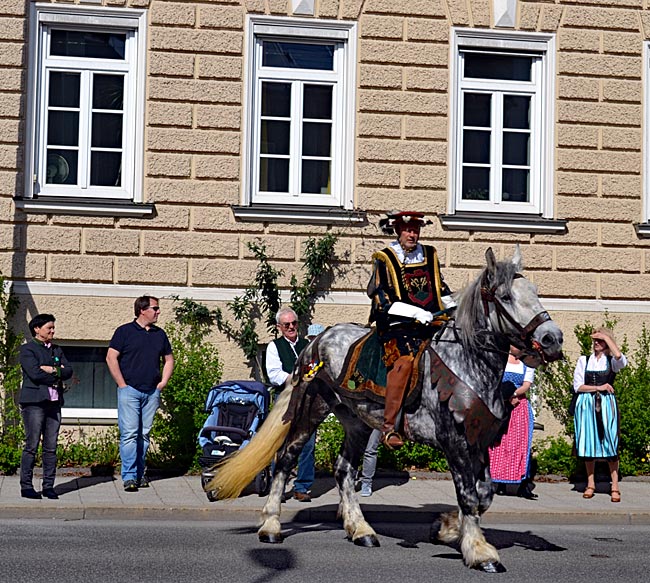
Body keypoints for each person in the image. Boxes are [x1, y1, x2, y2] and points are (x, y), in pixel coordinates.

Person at [367, 210, 455, 449]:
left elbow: (440, 289)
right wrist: (415, 312)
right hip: (398, 325)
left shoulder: (430, 254)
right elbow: (383, 300)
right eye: (407, 230)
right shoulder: (384, 258)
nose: (412, 234)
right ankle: (389, 427)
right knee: (404, 363)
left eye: (416, 230)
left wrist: (454, 307)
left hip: (431, 323)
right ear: (398, 230)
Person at [106, 296, 174, 492]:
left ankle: (140, 473)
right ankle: (129, 476)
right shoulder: (124, 332)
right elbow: (111, 357)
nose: (158, 312)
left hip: (151, 391)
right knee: (129, 435)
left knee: (144, 435)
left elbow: (169, 359)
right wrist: (122, 384)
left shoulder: (159, 334)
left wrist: (162, 383)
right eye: (155, 308)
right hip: (130, 391)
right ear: (142, 310)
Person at [18, 314, 73, 499]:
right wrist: (57, 374)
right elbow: (35, 374)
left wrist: (52, 370)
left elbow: (69, 371)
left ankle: (49, 486)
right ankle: (26, 487)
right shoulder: (28, 350)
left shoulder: (57, 349)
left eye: (53, 327)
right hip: (34, 403)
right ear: (37, 329)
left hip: (54, 403)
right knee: (31, 445)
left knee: (51, 447)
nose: (52, 331)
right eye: (49, 327)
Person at [573, 328, 627, 503]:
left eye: (600, 340)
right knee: (588, 443)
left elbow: (621, 359)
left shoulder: (611, 361)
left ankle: (615, 485)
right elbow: (578, 386)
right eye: (595, 340)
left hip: (606, 405)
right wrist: (599, 387)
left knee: (610, 442)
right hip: (586, 404)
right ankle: (591, 483)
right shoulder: (584, 360)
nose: (596, 342)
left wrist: (606, 337)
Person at [265, 307, 313, 502]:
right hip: (285, 398)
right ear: (279, 327)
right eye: (287, 325)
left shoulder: (307, 344)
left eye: (294, 323)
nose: (292, 327)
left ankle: (302, 486)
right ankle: (278, 485)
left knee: (308, 443)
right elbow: (274, 374)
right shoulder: (274, 346)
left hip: (307, 398)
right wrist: (296, 378)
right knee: (281, 443)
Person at [489, 347, 537, 500]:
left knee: (520, 445)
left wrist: (514, 393)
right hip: (502, 405)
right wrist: (506, 396)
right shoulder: (500, 359)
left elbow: (526, 385)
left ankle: (523, 484)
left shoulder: (526, 363)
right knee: (500, 444)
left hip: (519, 406)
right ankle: (499, 483)